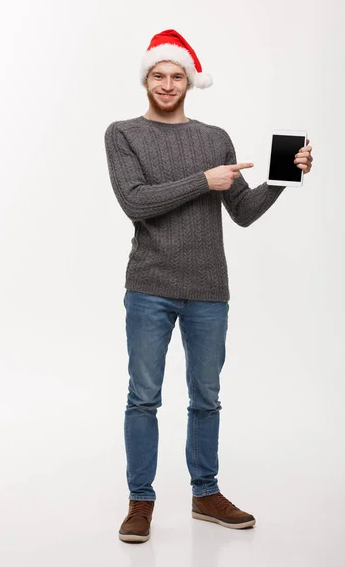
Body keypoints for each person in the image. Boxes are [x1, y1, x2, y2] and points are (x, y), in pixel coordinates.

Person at [104, 29, 313, 543]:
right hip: (149, 283)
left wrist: (286, 178)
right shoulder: (123, 133)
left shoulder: (215, 137)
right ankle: (140, 501)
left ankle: (205, 494)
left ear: (190, 81)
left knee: (207, 397)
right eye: (159, 75)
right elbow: (136, 201)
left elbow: (242, 212)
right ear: (146, 79)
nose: (168, 83)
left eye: (177, 75)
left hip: (208, 288)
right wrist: (203, 180)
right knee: (143, 397)